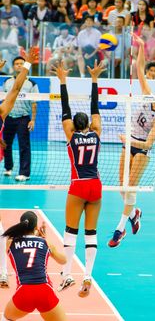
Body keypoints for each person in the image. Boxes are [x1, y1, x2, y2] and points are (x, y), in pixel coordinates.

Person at [108, 33, 155, 247]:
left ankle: (119, 230)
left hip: (140, 150)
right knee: (121, 187)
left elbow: (148, 145)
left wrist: (128, 140)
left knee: (130, 188)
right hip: (128, 142)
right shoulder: (147, 95)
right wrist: (140, 46)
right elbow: (139, 70)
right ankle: (134, 213)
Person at [51, 60, 105, 297]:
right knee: (91, 233)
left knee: (70, 231)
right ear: (90, 124)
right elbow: (96, 109)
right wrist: (94, 79)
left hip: (78, 186)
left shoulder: (70, 134)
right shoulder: (97, 132)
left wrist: (62, 81)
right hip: (96, 185)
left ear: (73, 124)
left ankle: (66, 274)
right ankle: (88, 276)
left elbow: (65, 109)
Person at [0, 48, 37, 287]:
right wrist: (28, 66)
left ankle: (2, 273)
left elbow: (14, 88)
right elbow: (14, 89)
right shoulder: (2, 112)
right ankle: (2, 273)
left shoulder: (2, 110)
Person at [1, 211, 67, 321]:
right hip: (45, 291)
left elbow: (18, 241)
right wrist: (44, 238)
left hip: (24, 292)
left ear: (21, 224)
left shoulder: (10, 243)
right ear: (36, 227)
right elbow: (63, 260)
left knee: (7, 318)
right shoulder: (45, 243)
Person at [3, 56, 39, 181]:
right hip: (8, 118)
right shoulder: (7, 82)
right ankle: (8, 168)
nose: (19, 65)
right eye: (16, 64)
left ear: (25, 66)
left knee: (24, 146)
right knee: (5, 144)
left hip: (23, 118)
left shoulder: (32, 84)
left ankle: (24, 173)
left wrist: (33, 120)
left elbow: (34, 104)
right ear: (13, 66)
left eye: (21, 64)